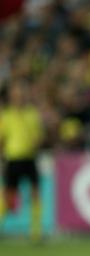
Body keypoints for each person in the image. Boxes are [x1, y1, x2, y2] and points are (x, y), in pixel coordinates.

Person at [0, 79, 43, 239]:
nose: (18, 96)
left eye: (20, 93)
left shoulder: (31, 114)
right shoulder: (6, 115)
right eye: (15, 93)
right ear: (11, 96)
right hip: (13, 158)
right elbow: (2, 139)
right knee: (9, 196)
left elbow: (38, 135)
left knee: (35, 193)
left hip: (29, 158)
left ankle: (35, 231)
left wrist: (37, 141)